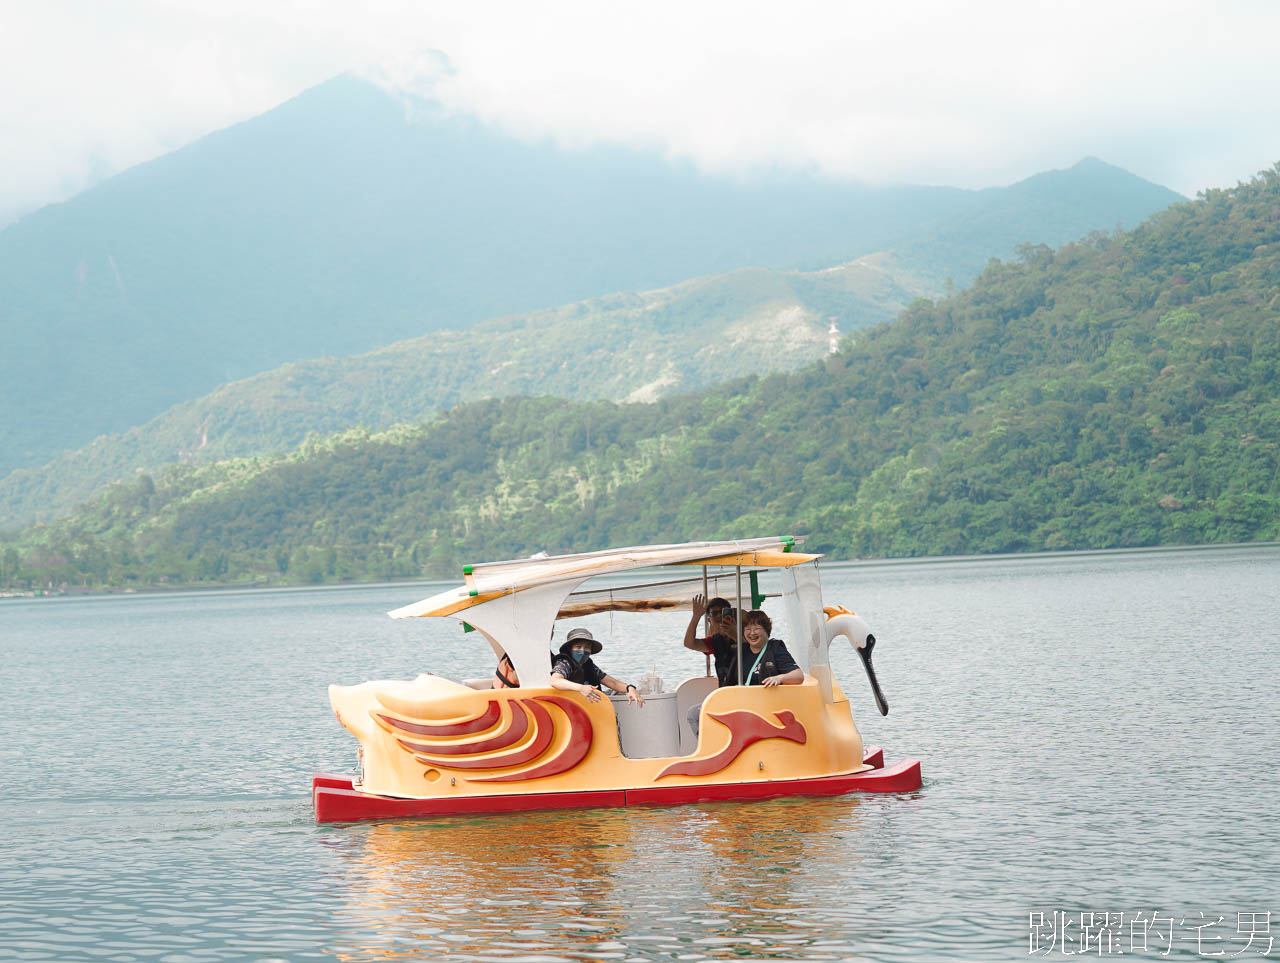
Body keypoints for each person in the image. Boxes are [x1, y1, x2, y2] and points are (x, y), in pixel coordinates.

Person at [550, 628, 645, 706]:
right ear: (570, 649)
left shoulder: (588, 665)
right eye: (578, 647)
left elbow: (612, 682)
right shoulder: (564, 662)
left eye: (587, 647)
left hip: (591, 708)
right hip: (571, 709)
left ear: (591, 650)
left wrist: (630, 688)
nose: (582, 651)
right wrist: (580, 688)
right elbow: (556, 681)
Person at [682, 594, 739, 687]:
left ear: (731, 614)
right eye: (714, 613)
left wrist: (736, 634)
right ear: (709, 619)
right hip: (726, 690)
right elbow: (689, 643)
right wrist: (696, 616)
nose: (719, 615)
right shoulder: (714, 641)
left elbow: (752, 650)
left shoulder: (747, 634)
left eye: (723, 611)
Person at [737, 609, 803, 688]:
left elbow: (798, 676)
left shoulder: (775, 649)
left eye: (756, 629)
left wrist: (779, 678)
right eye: (748, 629)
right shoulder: (741, 651)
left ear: (766, 630)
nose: (752, 633)